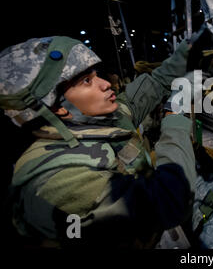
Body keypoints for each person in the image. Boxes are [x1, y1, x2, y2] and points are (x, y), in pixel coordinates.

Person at [0, 36, 196, 247]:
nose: (105, 84)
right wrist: (174, 118)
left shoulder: (102, 118)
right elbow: (170, 201)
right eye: (87, 81)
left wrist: (192, 46)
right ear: (58, 107)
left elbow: (157, 81)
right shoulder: (54, 175)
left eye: (96, 75)